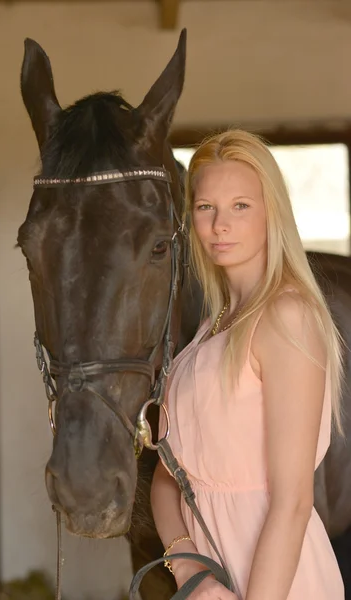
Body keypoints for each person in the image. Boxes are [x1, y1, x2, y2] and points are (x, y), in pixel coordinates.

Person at [150, 130, 345, 600]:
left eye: (240, 206)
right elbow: (164, 480)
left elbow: (293, 504)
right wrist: (192, 576)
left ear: (270, 212)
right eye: (205, 207)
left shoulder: (286, 316)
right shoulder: (206, 331)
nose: (220, 224)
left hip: (280, 583)